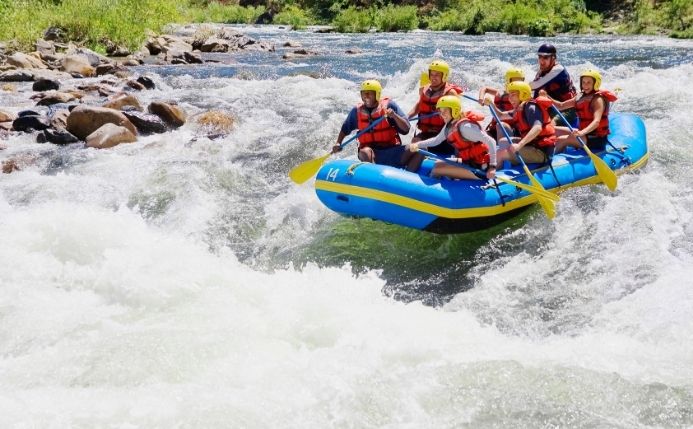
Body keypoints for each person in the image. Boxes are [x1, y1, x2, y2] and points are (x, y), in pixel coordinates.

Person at [333, 79, 423, 171]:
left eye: (370, 93)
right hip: (372, 153)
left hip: (392, 150)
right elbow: (345, 129)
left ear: (377, 94)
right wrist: (338, 142)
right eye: (364, 93)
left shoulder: (389, 106)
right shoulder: (356, 111)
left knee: (419, 148)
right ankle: (373, 175)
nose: (366, 96)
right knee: (365, 152)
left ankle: (408, 176)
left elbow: (406, 129)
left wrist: (394, 116)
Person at [408, 95, 497, 181]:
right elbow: (436, 140)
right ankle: (451, 180)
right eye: (440, 111)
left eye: (445, 111)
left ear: (454, 110)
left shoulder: (465, 127)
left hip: (479, 168)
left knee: (437, 170)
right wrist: (417, 144)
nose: (442, 114)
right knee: (437, 164)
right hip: (468, 162)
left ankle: (429, 193)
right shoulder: (450, 125)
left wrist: (492, 167)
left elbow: (491, 141)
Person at [488, 81, 556, 166]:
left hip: (542, 151)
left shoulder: (531, 108)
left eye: (513, 95)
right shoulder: (520, 109)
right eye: (509, 95)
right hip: (532, 144)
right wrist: (491, 104)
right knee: (503, 141)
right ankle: (511, 164)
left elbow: (537, 128)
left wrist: (519, 145)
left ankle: (492, 176)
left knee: (500, 154)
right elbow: (500, 115)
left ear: (523, 94)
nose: (509, 99)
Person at [553, 69, 618, 153]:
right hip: (584, 134)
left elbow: (596, 122)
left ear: (595, 83)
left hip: (596, 138)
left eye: (588, 82)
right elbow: (560, 106)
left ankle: (551, 162)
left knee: (561, 140)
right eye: (583, 82)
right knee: (553, 129)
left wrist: (582, 133)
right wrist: (546, 97)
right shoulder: (580, 97)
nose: (585, 85)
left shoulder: (597, 99)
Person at [407, 60, 464, 156]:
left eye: (437, 75)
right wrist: (407, 116)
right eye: (432, 74)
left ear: (444, 76)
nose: (433, 77)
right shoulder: (423, 90)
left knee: (421, 146)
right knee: (414, 141)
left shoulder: (450, 93)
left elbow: (458, 114)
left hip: (444, 134)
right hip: (426, 132)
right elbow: (419, 105)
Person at [477, 67, 525, 139]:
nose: (517, 83)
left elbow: (502, 115)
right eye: (515, 80)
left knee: (500, 125)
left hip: (511, 130)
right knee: (478, 136)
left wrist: (491, 104)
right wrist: (481, 98)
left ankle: (501, 148)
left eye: (520, 81)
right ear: (508, 80)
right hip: (495, 127)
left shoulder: (522, 97)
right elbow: (485, 88)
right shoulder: (499, 93)